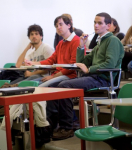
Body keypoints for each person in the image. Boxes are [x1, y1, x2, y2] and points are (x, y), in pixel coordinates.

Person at [47, 12, 124, 140]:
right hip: (94, 77)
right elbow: (82, 62)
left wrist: (89, 70)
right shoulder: (100, 43)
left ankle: (67, 127)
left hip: (104, 80)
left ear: (108, 25)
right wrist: (81, 46)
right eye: (95, 22)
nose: (96, 25)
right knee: (53, 86)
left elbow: (110, 64)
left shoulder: (112, 41)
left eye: (100, 23)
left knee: (64, 85)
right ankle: (55, 126)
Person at [25, 15, 80, 87]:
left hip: (70, 76)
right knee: (29, 84)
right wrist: (33, 63)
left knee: (39, 87)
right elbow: (51, 60)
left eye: (60, 24)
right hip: (58, 75)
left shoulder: (76, 41)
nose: (58, 28)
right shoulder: (61, 43)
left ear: (69, 25)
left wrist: (53, 76)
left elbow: (72, 66)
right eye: (56, 26)